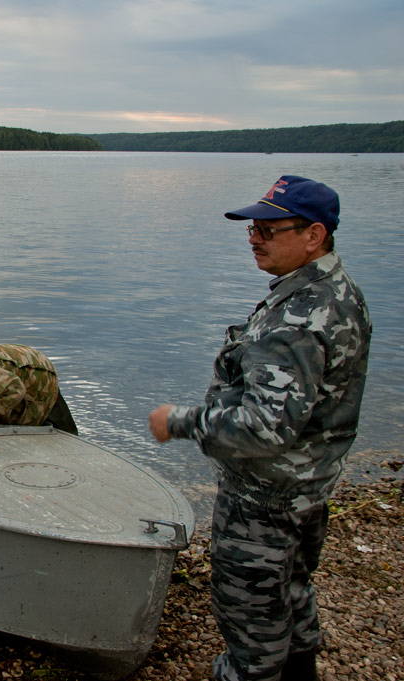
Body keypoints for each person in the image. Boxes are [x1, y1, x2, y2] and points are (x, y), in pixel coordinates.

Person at [148, 176, 371, 681]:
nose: (254, 238)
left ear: (314, 235)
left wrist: (178, 421)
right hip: (307, 488)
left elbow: (264, 429)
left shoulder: (298, 317)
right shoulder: (336, 291)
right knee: (291, 590)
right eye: (252, 229)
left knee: (251, 623)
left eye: (269, 230)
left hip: (265, 501)